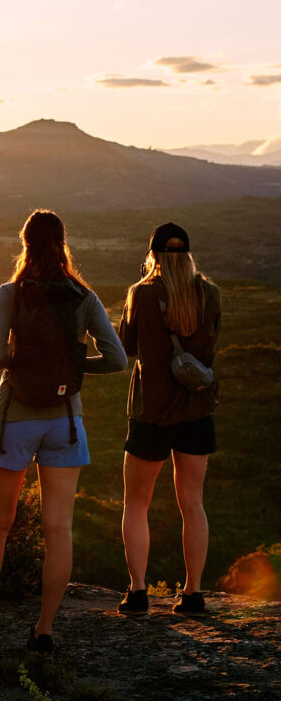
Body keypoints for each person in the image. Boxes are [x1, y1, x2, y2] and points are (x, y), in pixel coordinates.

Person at [0, 209, 127, 653]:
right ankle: (44, 631)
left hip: (13, 420)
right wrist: (70, 366)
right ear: (63, 244)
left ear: (25, 244)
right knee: (59, 530)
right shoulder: (83, 296)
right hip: (65, 421)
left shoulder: (9, 294)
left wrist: (23, 363)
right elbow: (118, 359)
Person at [116, 222, 220, 617]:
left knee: (137, 502)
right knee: (192, 502)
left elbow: (126, 348)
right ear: (188, 254)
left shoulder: (142, 294)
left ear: (154, 255)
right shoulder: (210, 294)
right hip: (196, 410)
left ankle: (138, 592)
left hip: (151, 412)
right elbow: (210, 346)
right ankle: (193, 594)